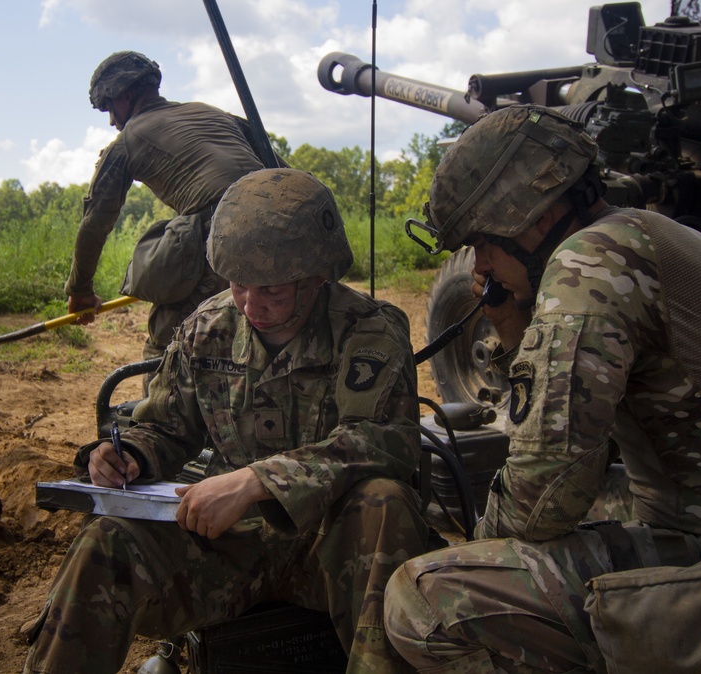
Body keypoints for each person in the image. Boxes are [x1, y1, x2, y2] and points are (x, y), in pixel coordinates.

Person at [385, 104, 701, 673]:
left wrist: (481, 550)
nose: (477, 264)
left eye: (482, 241)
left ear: (528, 215)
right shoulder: (637, 235)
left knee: (425, 601)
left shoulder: (591, 262)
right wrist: (511, 327)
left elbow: (539, 500)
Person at [24, 168, 430, 674]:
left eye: (273, 293)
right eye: (238, 286)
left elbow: (384, 441)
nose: (250, 306)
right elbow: (168, 426)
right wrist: (130, 453)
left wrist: (257, 481)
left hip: (331, 548)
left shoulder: (369, 330)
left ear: (317, 278)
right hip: (231, 549)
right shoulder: (208, 327)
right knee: (104, 542)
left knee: (384, 503)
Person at [67, 50, 279, 366]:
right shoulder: (212, 113)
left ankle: (160, 414)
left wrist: (80, 289)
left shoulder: (127, 141)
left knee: (168, 346)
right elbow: (286, 173)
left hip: (223, 227)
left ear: (125, 95)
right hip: (281, 223)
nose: (112, 120)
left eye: (110, 108)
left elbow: (95, 222)